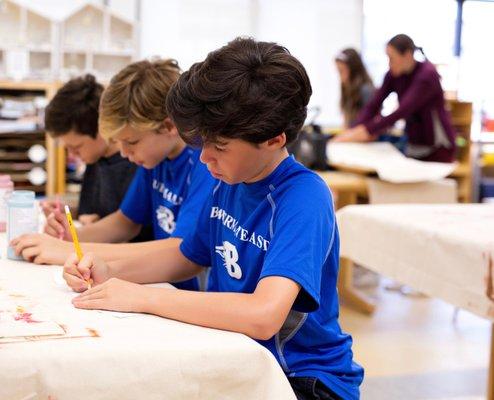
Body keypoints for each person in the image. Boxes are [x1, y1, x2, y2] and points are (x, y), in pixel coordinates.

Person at [63, 38, 363, 400]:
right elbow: (187, 256)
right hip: (240, 357)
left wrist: (144, 298)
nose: (205, 158)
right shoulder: (231, 180)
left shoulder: (304, 197)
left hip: (303, 379)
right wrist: (111, 272)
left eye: (219, 147)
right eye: (203, 143)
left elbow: (263, 314)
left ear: (273, 139)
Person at [11, 59, 216, 292]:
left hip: (178, 290)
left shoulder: (205, 163)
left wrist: (68, 249)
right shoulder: (154, 158)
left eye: (131, 142)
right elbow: (125, 222)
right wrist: (73, 237)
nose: (125, 153)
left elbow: (179, 251)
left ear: (169, 127)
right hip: (155, 284)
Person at [333, 34, 457, 163]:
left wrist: (366, 131)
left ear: (408, 55)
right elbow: (373, 105)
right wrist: (355, 129)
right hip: (414, 143)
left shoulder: (427, 75)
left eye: (391, 58)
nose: (389, 63)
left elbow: (402, 111)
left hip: (438, 146)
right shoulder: (393, 75)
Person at [41, 74, 139, 227]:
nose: (72, 155)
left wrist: (97, 229)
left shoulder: (135, 163)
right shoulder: (96, 157)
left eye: (76, 148)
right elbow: (91, 212)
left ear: (102, 128)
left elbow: (131, 230)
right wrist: (66, 211)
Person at [335, 48, 374, 128]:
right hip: (353, 136)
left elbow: (369, 124)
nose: (340, 76)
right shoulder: (347, 88)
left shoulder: (366, 90)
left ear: (353, 70)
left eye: (342, 71)